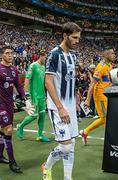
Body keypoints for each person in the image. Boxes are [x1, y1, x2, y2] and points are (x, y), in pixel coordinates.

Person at [42, 22, 82, 180]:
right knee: (65, 147)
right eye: (74, 37)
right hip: (58, 107)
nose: (77, 41)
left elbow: (71, 81)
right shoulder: (54, 54)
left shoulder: (73, 55)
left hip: (71, 106)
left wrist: (76, 101)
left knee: (72, 145)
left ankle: (67, 177)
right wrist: (60, 108)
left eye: (79, 38)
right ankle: (47, 166)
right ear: (65, 36)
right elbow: (48, 82)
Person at [0, 46, 32, 173]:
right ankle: (12, 162)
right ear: (1, 56)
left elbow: (18, 85)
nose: (10, 55)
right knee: (9, 130)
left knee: (3, 129)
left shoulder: (14, 69)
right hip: (0, 104)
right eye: (7, 53)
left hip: (10, 104)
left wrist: (25, 98)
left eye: (11, 53)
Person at [80, 47, 115, 145]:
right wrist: (87, 100)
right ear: (106, 55)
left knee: (107, 118)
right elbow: (92, 83)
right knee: (104, 118)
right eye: (112, 53)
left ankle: (85, 132)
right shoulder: (101, 66)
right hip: (100, 95)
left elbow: (107, 81)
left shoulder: (110, 66)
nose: (114, 55)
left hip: (107, 94)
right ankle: (86, 131)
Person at [16, 50, 50, 142]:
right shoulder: (33, 66)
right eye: (45, 57)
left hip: (41, 95)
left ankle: (39, 135)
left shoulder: (43, 67)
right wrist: (26, 94)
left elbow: (43, 82)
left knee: (42, 115)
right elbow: (27, 79)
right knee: (34, 115)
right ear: (41, 56)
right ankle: (20, 126)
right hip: (33, 95)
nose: (45, 59)